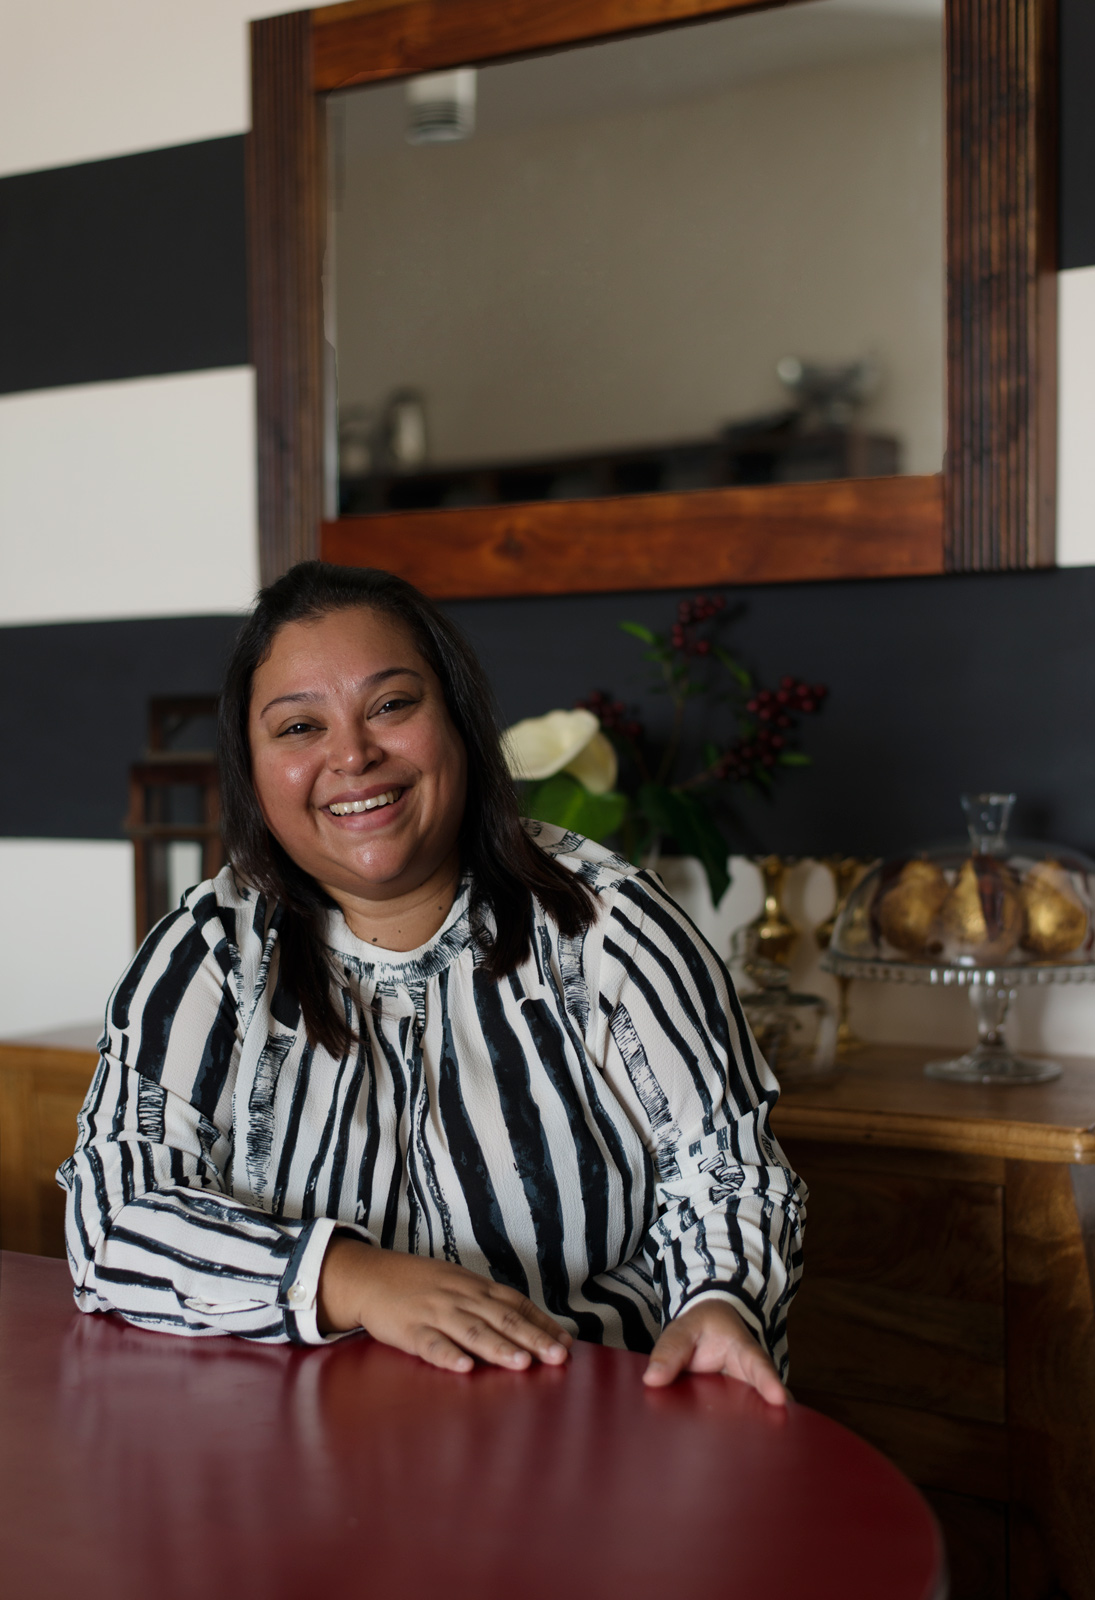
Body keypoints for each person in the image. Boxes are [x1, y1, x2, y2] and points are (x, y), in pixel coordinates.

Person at [59, 562, 805, 1403]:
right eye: (299, 727)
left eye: (390, 705)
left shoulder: (606, 923)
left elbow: (726, 1169)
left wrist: (718, 1300)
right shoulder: (210, 949)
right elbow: (111, 1218)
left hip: (580, 1424)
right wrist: (350, 1278)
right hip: (300, 1440)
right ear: (253, 770)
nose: (352, 754)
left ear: (458, 720)